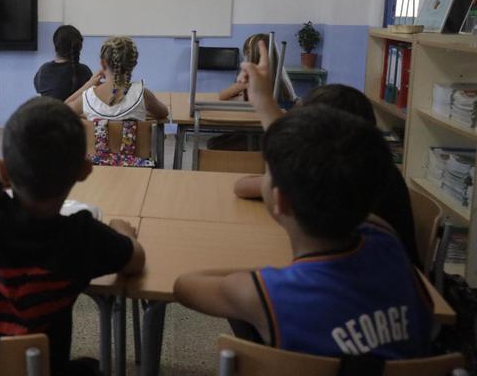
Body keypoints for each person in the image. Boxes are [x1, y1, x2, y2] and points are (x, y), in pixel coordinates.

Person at [0, 0, 145, 376]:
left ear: (1, 170)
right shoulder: (81, 238)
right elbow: (135, 260)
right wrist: (125, 231)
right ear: (84, 171)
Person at [174, 106, 433, 359]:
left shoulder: (262, 291)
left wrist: (257, 273)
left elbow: (183, 285)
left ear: (280, 200)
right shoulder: (385, 237)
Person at [232, 57, 420, 266]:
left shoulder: (331, 176)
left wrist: (264, 103)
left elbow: (244, 186)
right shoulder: (373, 167)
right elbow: (246, 187)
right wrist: (264, 102)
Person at [65, 36, 168, 121]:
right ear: (133, 64)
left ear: (103, 64)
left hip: (97, 147)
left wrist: (89, 84)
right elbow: (164, 113)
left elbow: (63, 109)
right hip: (137, 147)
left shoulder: (88, 98)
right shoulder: (142, 94)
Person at [34, 25, 92, 101]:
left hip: (48, 112)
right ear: (79, 47)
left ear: (55, 45)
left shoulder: (43, 70)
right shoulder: (84, 71)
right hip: (75, 113)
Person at [219, 33, 267, 101]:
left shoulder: (249, 78)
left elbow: (222, 96)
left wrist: (245, 84)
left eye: (247, 53)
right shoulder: (279, 76)